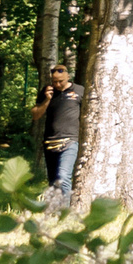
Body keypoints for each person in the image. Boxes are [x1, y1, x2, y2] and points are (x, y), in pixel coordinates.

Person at [34, 65, 82, 202]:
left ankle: (64, 213)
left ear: (68, 76)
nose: (57, 84)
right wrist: (47, 99)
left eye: (60, 81)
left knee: (63, 176)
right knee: (53, 181)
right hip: (50, 142)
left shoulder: (79, 90)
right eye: (54, 81)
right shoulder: (47, 92)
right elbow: (36, 115)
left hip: (70, 141)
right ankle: (54, 211)